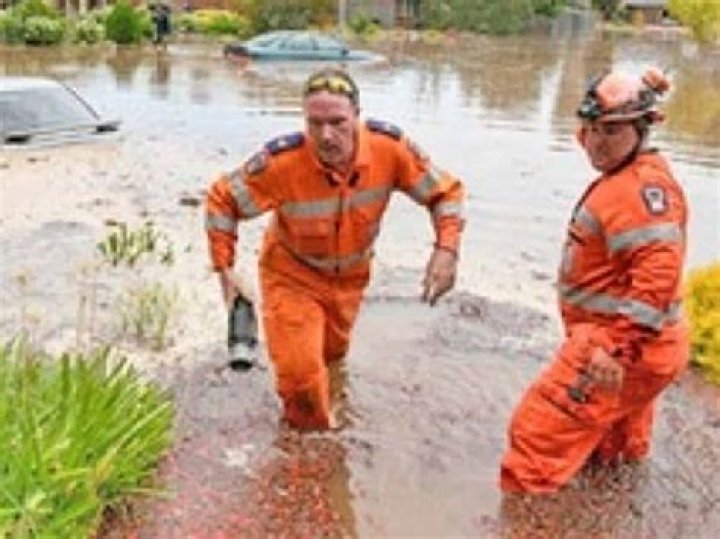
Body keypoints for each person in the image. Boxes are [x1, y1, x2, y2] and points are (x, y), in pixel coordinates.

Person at [205, 68, 465, 430]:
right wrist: (226, 270)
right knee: (301, 377)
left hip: (350, 281)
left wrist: (447, 251)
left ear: (357, 115)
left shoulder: (389, 150)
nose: (326, 135)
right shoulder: (282, 163)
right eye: (315, 124)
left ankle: (331, 426)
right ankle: (306, 454)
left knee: (332, 361)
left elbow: (445, 193)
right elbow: (222, 200)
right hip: (292, 276)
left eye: (337, 122)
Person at [500, 67, 689, 492]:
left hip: (617, 346)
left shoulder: (637, 189)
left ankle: (527, 518)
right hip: (646, 347)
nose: (597, 142)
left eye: (611, 131)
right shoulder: (630, 176)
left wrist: (615, 349)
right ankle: (615, 513)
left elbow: (658, 275)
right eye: (591, 129)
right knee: (614, 455)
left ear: (643, 129)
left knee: (536, 440)